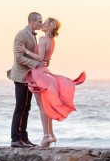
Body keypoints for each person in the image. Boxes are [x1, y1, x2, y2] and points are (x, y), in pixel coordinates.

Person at [16, 17, 86, 148]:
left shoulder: (43, 39)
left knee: (42, 106)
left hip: (39, 73)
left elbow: (40, 57)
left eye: (45, 23)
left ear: (49, 27)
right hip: (45, 71)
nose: (42, 24)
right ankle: (51, 134)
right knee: (45, 105)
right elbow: (46, 58)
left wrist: (25, 51)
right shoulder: (51, 41)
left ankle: (46, 136)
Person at [7, 12, 45, 147]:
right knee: (20, 107)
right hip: (20, 76)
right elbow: (18, 57)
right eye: (39, 22)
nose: (41, 24)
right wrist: (35, 64)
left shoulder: (33, 36)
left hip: (29, 76)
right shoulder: (21, 34)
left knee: (27, 108)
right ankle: (15, 139)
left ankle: (24, 138)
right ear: (32, 22)